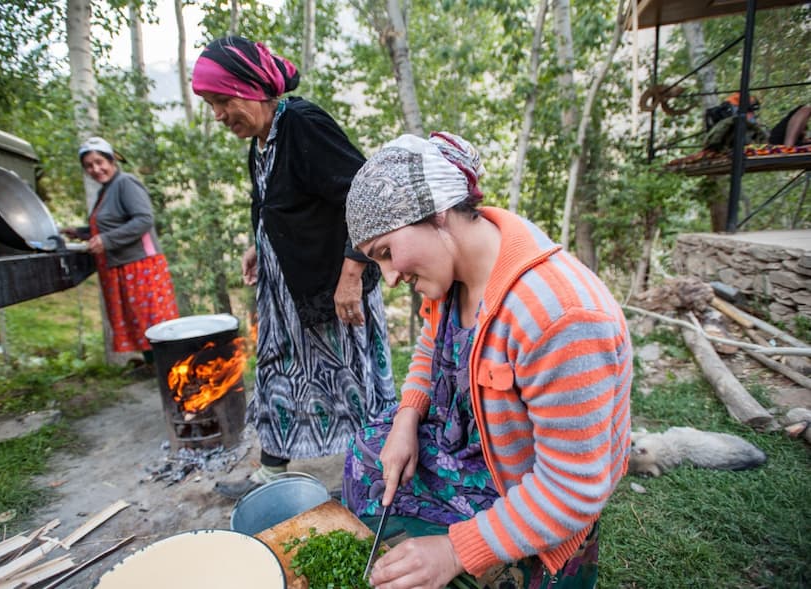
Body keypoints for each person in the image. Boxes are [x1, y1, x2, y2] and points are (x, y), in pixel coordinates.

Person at [342, 133, 633, 589]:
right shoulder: (453, 274)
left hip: (529, 483)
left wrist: (455, 550)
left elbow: (572, 486)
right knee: (369, 454)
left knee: (452, 564)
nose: (392, 276)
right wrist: (405, 419)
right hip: (476, 443)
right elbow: (430, 347)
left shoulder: (560, 316)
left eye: (385, 253)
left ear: (437, 214)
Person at [190, 36, 397, 497]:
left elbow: (365, 195)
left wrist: (351, 277)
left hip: (329, 284)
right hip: (286, 291)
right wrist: (256, 244)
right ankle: (272, 472)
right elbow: (271, 201)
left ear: (252, 88)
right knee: (278, 372)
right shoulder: (262, 139)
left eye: (223, 101)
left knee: (353, 381)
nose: (219, 115)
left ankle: (381, 477)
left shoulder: (302, 124)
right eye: (211, 105)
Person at [63, 136, 179, 370]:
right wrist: (81, 232)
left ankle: (169, 370)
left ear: (111, 160)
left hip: (142, 266)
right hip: (122, 266)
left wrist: (105, 240)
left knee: (152, 320)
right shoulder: (106, 190)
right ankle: (152, 368)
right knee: (138, 321)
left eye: (99, 162)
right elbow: (111, 224)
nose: (95, 169)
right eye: (89, 166)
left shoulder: (126, 183)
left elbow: (144, 220)